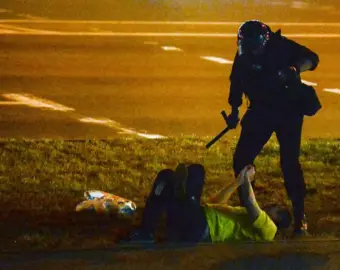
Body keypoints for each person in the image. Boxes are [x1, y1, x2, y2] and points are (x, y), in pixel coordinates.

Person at [225, 20, 320, 237]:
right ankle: (250, 209)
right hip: (260, 111)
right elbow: (236, 81)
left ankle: (300, 215)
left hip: (288, 111)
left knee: (289, 163)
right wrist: (234, 111)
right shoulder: (244, 54)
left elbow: (313, 59)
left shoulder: (281, 46)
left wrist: (294, 69)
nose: (251, 52)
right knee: (241, 159)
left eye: (254, 47)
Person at [126, 163, 292, 244]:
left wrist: (246, 178)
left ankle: (182, 193)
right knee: (166, 177)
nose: (270, 205)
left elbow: (250, 202)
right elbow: (215, 202)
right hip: (194, 219)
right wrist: (238, 182)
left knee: (197, 171)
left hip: (201, 229)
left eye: (275, 208)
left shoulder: (269, 229)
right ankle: (146, 232)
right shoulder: (247, 217)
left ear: (278, 219)